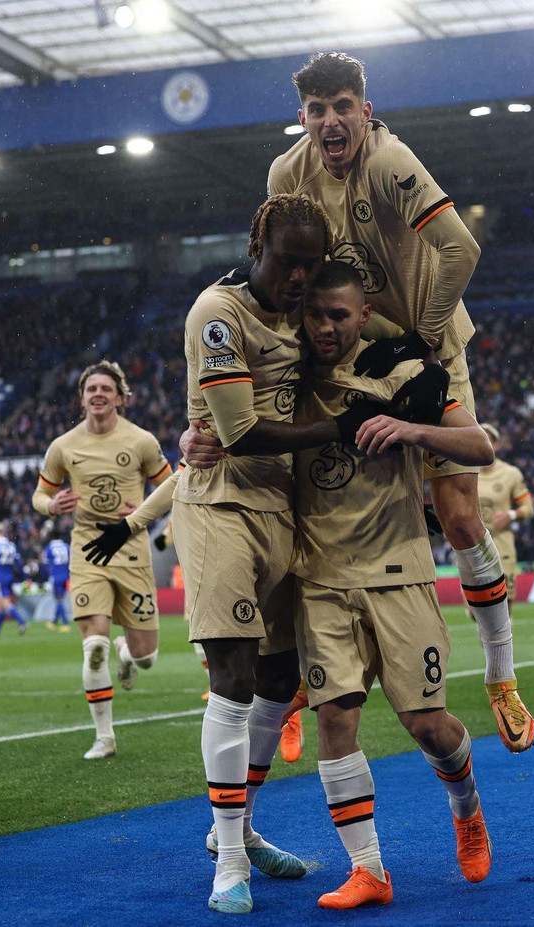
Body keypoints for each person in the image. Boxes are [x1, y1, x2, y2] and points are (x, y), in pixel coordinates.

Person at [165, 193, 431, 915]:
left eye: (310, 266)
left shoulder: (306, 314)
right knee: (232, 672)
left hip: (286, 510)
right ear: (259, 244)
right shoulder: (217, 314)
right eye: (288, 261)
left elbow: (373, 330)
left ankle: (241, 829)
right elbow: (243, 433)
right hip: (221, 503)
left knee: (279, 676)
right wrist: (348, 425)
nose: (299, 278)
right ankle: (225, 856)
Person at [266, 52, 534, 753]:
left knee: (460, 518)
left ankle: (502, 677)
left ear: (365, 107)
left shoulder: (390, 161)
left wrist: (423, 339)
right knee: (295, 489)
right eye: (318, 109)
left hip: (427, 345)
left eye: (343, 106)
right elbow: (280, 270)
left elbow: (461, 249)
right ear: (303, 116)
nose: (331, 120)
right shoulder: (285, 175)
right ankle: (288, 673)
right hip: (340, 346)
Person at [292, 261, 495, 907]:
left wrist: (410, 429)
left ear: (363, 313)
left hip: (400, 572)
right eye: (317, 314)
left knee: (427, 723)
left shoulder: (404, 373)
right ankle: (369, 870)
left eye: (340, 315)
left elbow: (481, 445)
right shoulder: (287, 375)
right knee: (335, 719)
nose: (326, 326)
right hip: (322, 579)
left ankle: (466, 808)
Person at [31, 360, 172, 760]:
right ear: (81, 398)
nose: (98, 394)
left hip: (130, 549)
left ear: (120, 397)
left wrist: (143, 510)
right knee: (93, 645)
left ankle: (127, 654)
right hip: (87, 549)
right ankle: (104, 737)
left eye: (106, 389)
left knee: (146, 658)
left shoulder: (141, 441)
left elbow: (172, 487)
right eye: (91, 389)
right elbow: (40, 495)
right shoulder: (63, 446)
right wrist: (51, 505)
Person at [476, 424, 534, 606]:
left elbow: (529, 507)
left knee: (504, 603)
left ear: (496, 445)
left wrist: (511, 515)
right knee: (475, 608)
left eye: (488, 440)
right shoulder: (464, 473)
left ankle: (498, 634)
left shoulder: (510, 474)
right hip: (474, 546)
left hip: (502, 545)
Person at [0, 523, 28, 635]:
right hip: (9, 576)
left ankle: (21, 621)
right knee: (1, 604)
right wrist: (23, 577)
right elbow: (18, 564)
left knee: (5, 603)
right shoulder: (11, 545)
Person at [42, 527, 72, 632]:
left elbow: (45, 564)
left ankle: (65, 623)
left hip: (56, 576)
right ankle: (54, 622)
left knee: (58, 600)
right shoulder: (67, 547)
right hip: (66, 575)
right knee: (60, 599)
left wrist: (45, 576)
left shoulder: (49, 548)